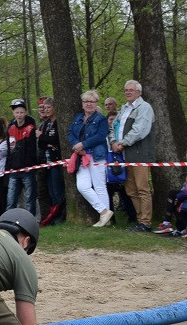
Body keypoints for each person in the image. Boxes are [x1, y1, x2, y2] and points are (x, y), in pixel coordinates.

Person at [110, 80, 156, 231]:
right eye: (126, 90)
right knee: (130, 189)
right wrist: (114, 142)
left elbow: (140, 130)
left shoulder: (144, 108)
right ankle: (140, 219)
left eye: (131, 90)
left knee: (142, 188)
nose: (128, 92)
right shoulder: (124, 109)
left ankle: (146, 222)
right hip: (124, 155)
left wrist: (123, 143)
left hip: (140, 154)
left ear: (139, 92)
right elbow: (114, 127)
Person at [68, 90, 113, 227]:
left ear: (96, 104)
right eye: (86, 101)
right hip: (81, 157)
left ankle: (105, 220)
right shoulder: (78, 118)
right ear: (82, 104)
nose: (89, 104)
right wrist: (76, 145)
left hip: (97, 155)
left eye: (92, 102)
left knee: (100, 187)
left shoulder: (101, 119)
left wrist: (84, 145)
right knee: (82, 186)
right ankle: (104, 211)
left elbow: (100, 136)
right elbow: (70, 133)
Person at [153, 147, 187, 238]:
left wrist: (178, 197)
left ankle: (171, 224)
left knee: (175, 202)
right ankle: (183, 226)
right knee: (173, 196)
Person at [5, 99, 38, 216]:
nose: (19, 115)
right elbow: (9, 149)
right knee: (11, 198)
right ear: (13, 113)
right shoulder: (10, 128)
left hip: (27, 169)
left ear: (25, 112)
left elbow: (32, 149)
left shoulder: (30, 128)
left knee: (30, 198)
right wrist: (8, 166)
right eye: (17, 112)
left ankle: (31, 221)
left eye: (21, 112)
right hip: (14, 169)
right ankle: (9, 221)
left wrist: (29, 165)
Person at [37, 97, 66, 226]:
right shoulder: (46, 124)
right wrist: (46, 141)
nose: (47, 110)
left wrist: (44, 138)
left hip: (57, 160)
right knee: (51, 192)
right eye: (45, 107)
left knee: (58, 190)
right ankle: (54, 216)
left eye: (49, 107)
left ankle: (61, 216)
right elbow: (42, 143)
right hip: (47, 161)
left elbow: (55, 140)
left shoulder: (58, 122)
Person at [106, 107, 136, 225]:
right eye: (110, 119)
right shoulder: (105, 133)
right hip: (108, 166)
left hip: (122, 164)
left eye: (114, 119)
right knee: (108, 192)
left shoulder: (121, 133)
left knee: (126, 192)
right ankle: (111, 218)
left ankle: (132, 216)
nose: (112, 122)